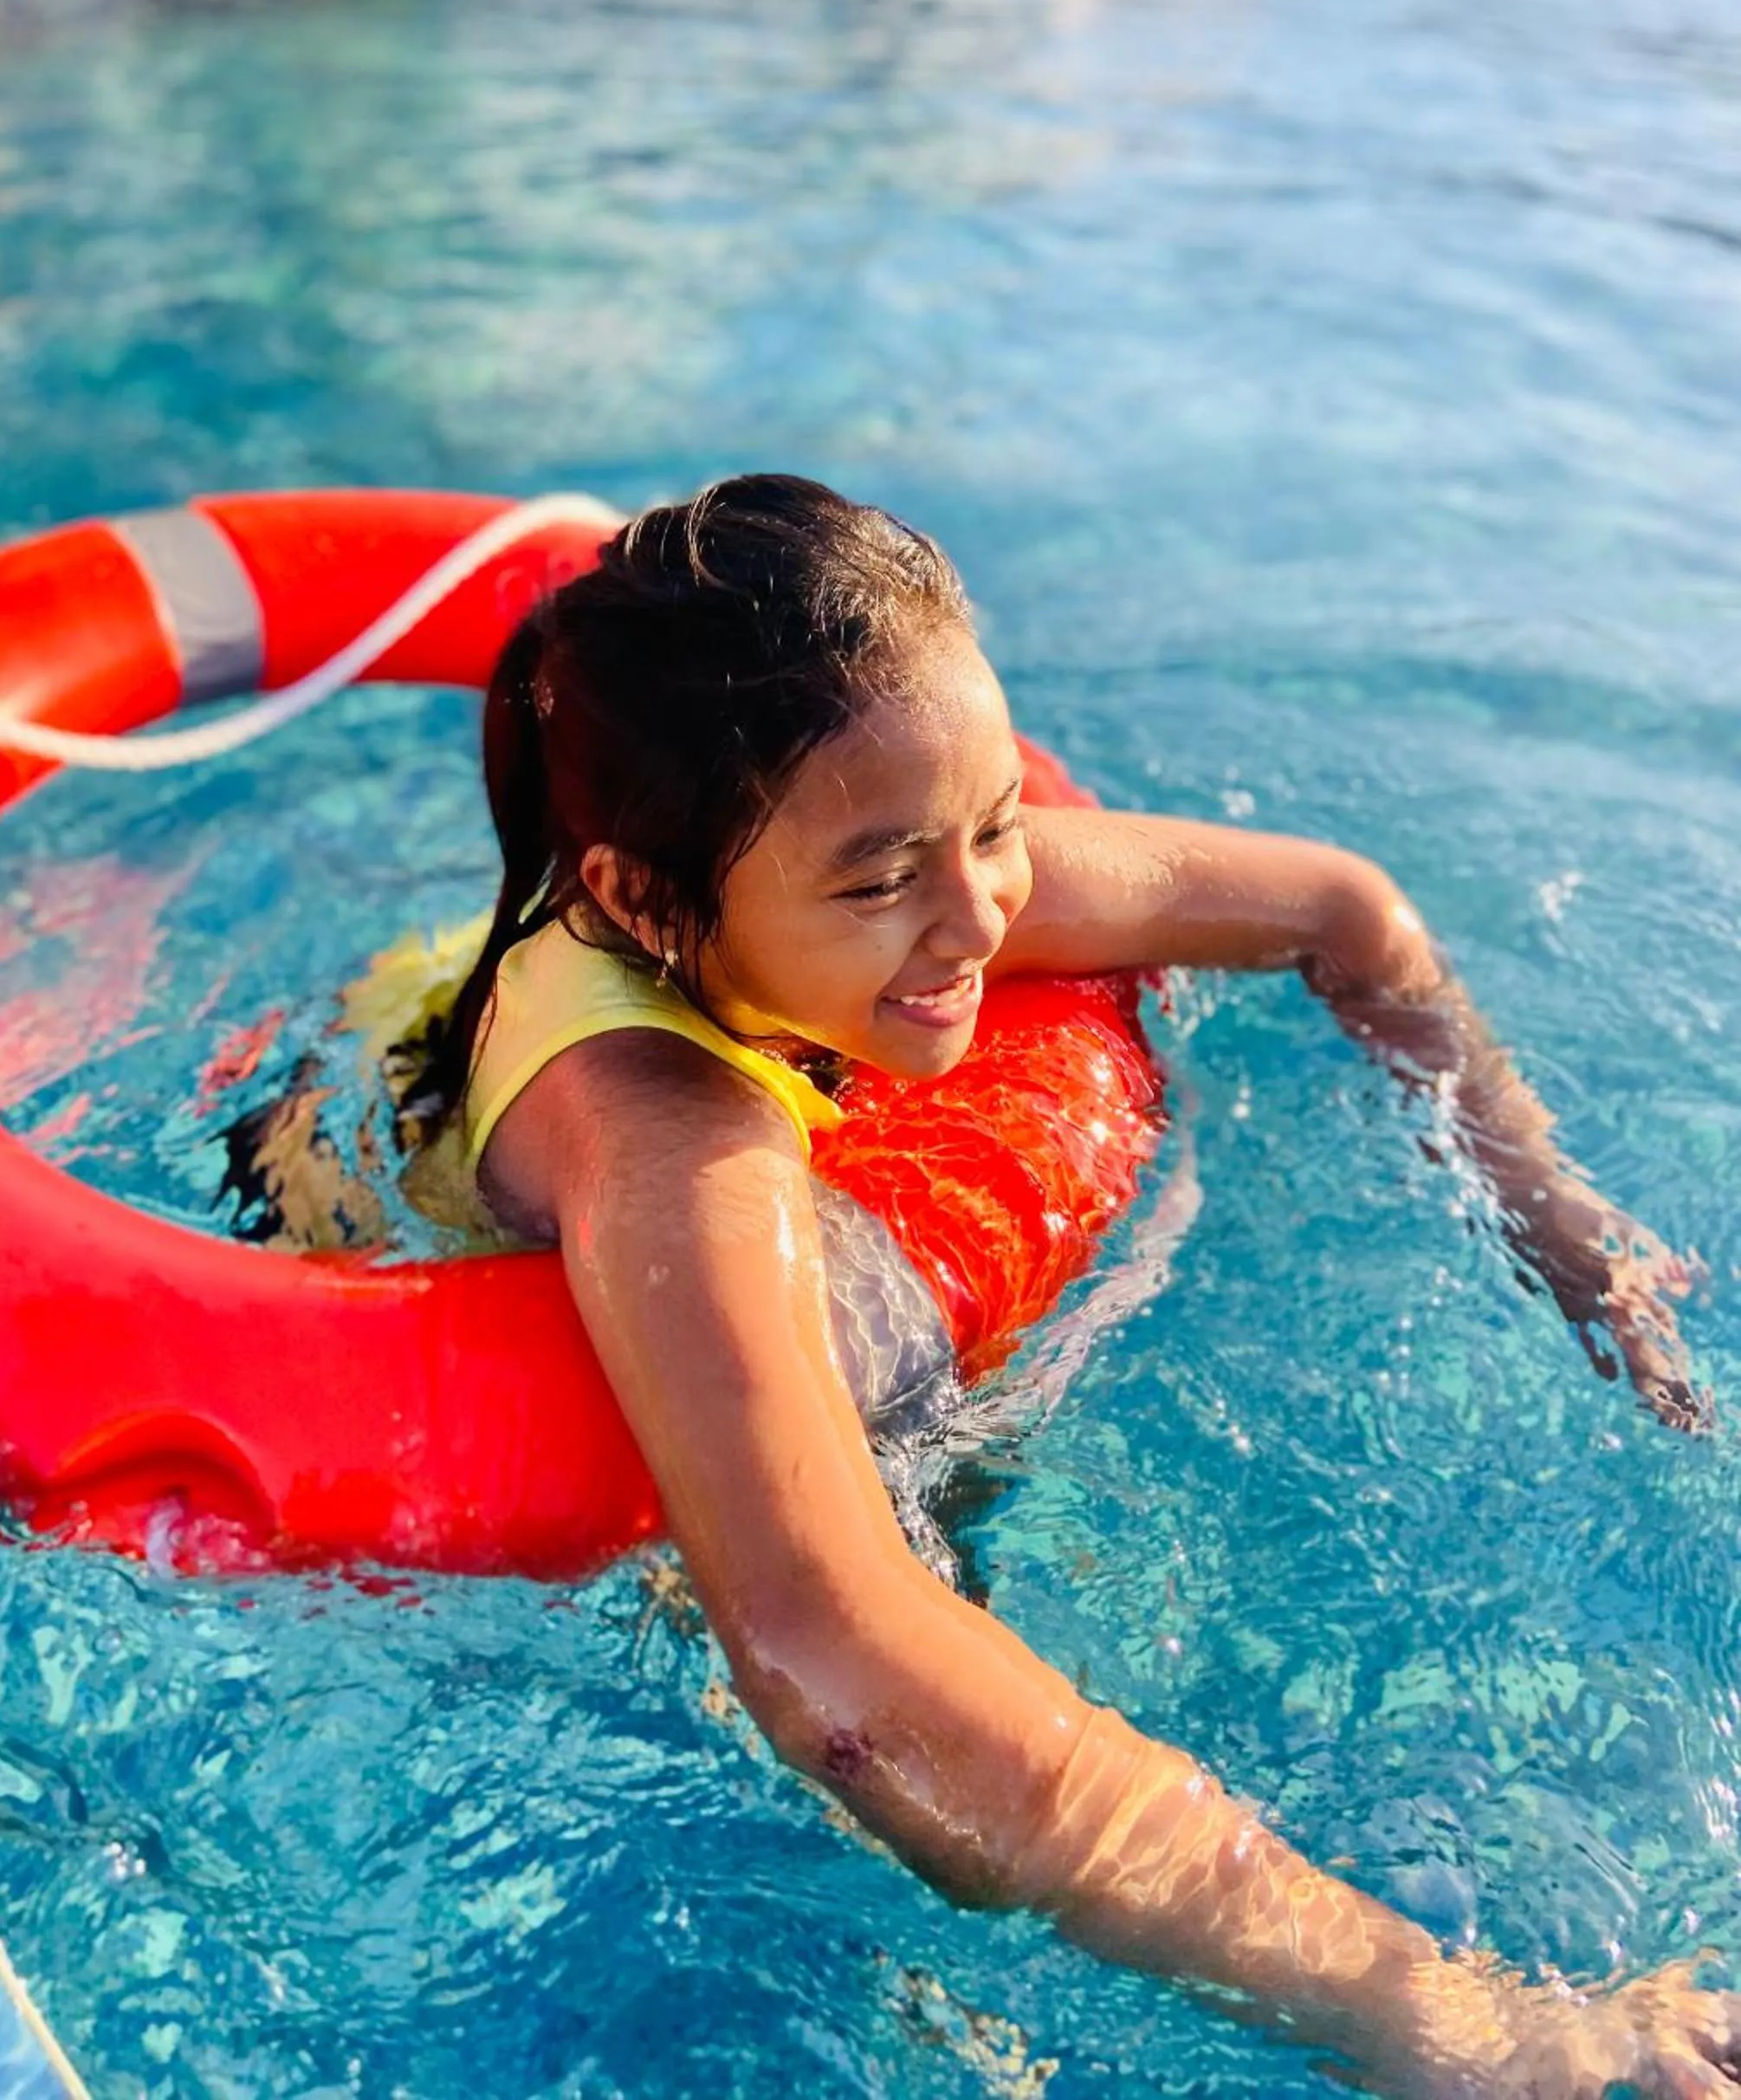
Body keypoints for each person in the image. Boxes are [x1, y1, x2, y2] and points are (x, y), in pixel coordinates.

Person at [234, 474, 1729, 2095]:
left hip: (672, 993)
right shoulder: (663, 1137)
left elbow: (1343, 914)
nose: (979, 920)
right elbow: (836, 1674)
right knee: (783, 1599)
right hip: (366, 1170)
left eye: (1000, 823)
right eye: (885, 883)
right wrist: (1438, 2017)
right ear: (645, 901)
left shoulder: (903, 853)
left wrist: (1551, 1213)